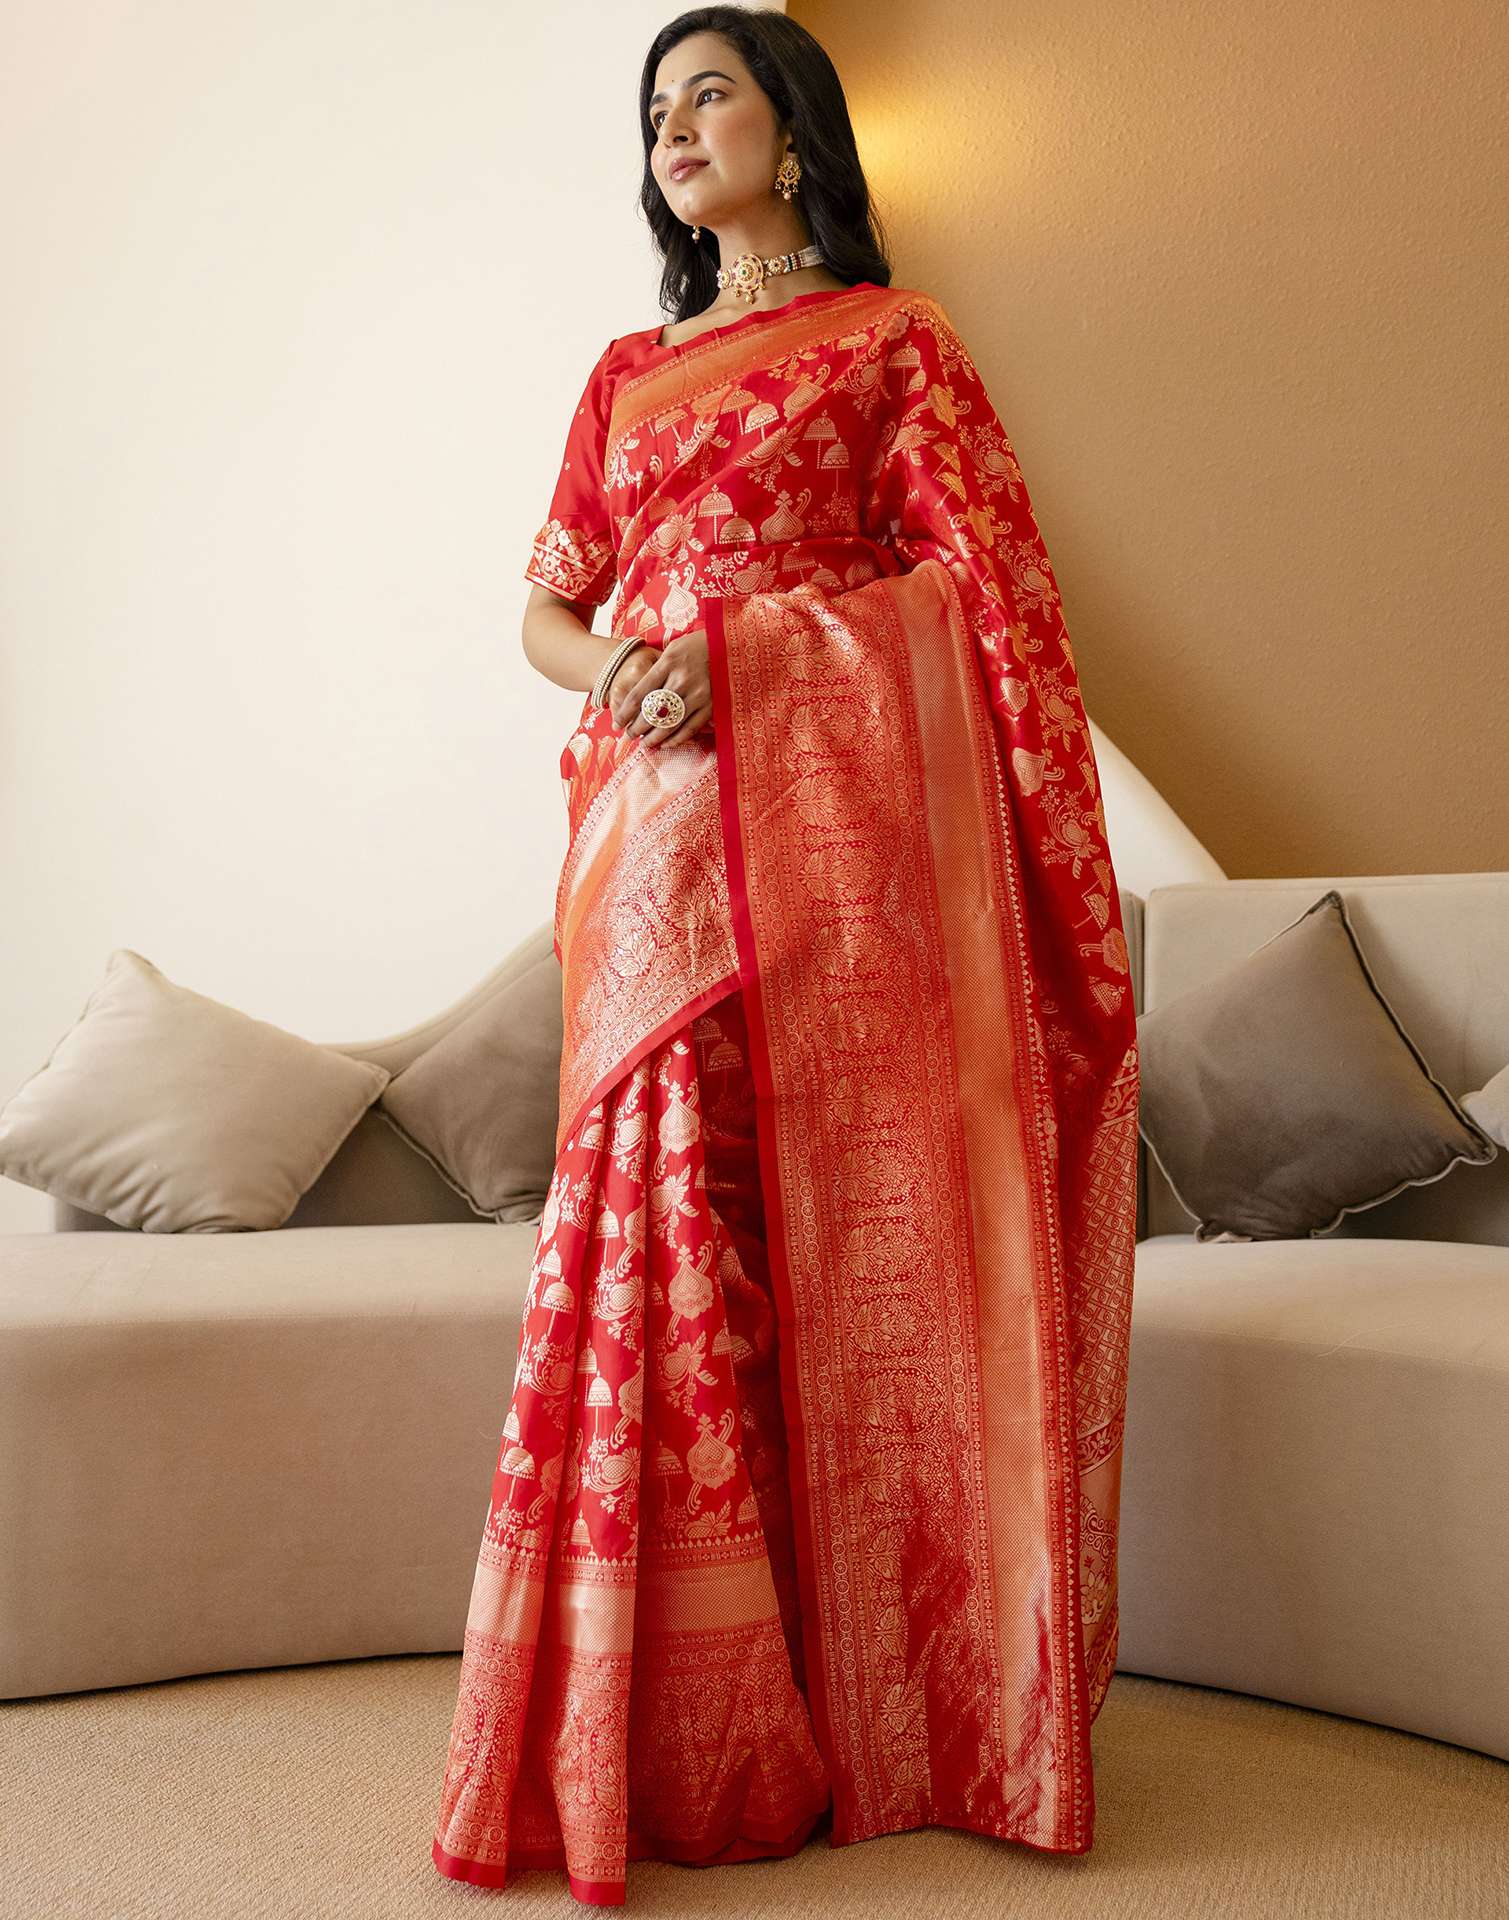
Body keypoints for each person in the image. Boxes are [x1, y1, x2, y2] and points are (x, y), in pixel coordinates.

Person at [431, 7, 1140, 1906]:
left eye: (709, 96)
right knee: (659, 1207)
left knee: (800, 1226)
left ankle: (869, 1705)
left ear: (796, 133)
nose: (673, 129)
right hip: (648, 823)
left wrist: (746, 656)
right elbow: (546, 611)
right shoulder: (624, 374)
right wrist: (631, 670)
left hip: (824, 841)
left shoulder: (895, 346)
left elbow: (982, 603)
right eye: (653, 109)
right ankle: (672, 1725)